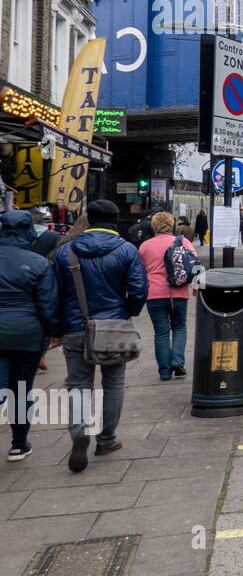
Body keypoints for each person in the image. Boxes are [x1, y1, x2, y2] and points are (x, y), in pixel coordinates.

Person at [52, 200, 148, 472]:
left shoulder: (65, 252)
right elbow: (139, 290)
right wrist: (126, 312)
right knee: (114, 382)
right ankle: (107, 439)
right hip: (112, 327)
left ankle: (79, 431)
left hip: (75, 327)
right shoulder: (127, 250)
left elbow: (53, 294)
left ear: (89, 220)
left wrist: (55, 328)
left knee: (78, 384)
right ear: (115, 221)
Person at [0, 210, 61, 462]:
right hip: (28, 334)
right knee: (21, 390)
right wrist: (55, 332)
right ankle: (18, 444)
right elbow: (48, 303)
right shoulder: (38, 263)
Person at [137, 212, 195, 381]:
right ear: (172, 225)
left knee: (161, 333)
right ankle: (177, 361)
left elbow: (139, 271)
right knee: (179, 327)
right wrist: (197, 288)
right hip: (179, 292)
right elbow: (195, 266)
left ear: (154, 226)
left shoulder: (145, 246)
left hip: (154, 294)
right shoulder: (183, 242)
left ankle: (164, 371)